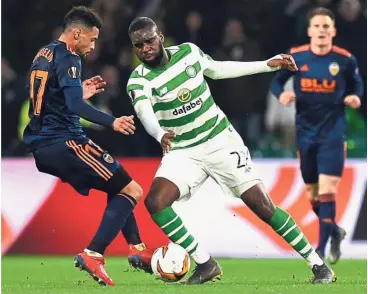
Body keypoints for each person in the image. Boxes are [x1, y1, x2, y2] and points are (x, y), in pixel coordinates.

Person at [126, 17, 336, 285]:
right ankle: (206, 264)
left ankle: (318, 265)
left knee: (262, 206)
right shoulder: (138, 80)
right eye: (138, 45)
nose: (145, 48)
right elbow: (144, 111)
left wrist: (265, 65)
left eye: (148, 41)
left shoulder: (189, 53)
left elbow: (218, 69)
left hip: (220, 141)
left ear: (161, 37)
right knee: (155, 201)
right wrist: (158, 133)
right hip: (182, 151)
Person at [22, 6, 153, 286]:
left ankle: (138, 249)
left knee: (117, 186)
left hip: (43, 143)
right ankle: (93, 253)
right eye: (91, 39)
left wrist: (76, 89)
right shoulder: (70, 57)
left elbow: (50, 97)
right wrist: (113, 121)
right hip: (65, 141)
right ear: (77, 33)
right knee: (133, 190)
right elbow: (74, 106)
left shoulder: (44, 53)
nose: (93, 46)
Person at [271, 7, 363, 264]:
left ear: (333, 31)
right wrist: (283, 95)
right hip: (305, 134)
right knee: (312, 194)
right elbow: (276, 82)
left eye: (326, 27)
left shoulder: (345, 59)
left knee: (327, 190)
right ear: (309, 30)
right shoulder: (296, 57)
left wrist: (356, 96)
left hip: (333, 134)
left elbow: (357, 84)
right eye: (317, 26)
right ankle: (334, 231)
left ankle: (320, 252)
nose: (322, 31)